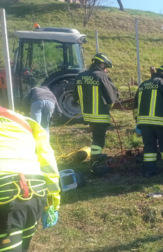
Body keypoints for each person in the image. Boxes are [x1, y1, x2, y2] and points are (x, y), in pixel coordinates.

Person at [0, 106, 61, 252]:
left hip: (4, 188)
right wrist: (53, 203)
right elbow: (48, 163)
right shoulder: (24, 121)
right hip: (36, 187)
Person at [73, 53, 119, 174]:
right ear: (101, 64)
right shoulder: (101, 76)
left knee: (95, 136)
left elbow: (75, 97)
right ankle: (95, 164)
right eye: (106, 67)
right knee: (99, 139)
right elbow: (111, 98)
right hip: (100, 115)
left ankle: (96, 155)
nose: (106, 70)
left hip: (87, 115)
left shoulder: (80, 76)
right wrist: (108, 106)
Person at [134, 65, 163, 177]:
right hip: (159, 122)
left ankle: (149, 171)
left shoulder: (143, 85)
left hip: (143, 123)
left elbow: (135, 105)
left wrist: (137, 122)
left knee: (149, 147)